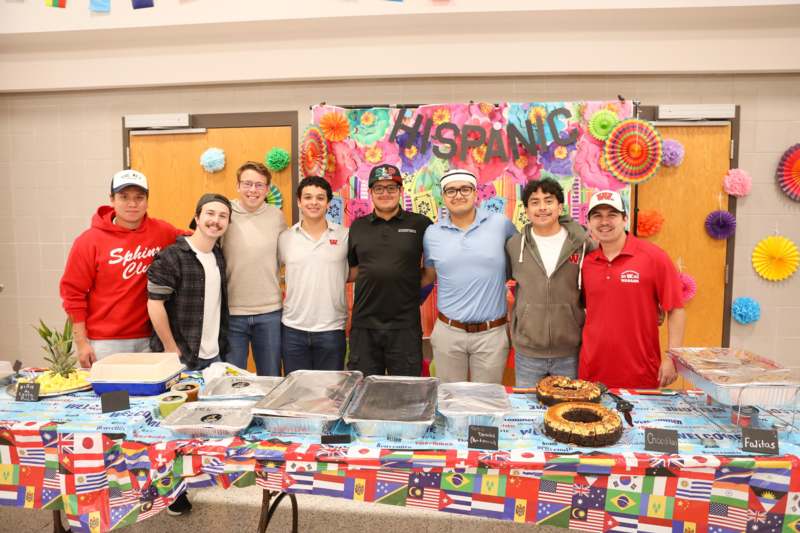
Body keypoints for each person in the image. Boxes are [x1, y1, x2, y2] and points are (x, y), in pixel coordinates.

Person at [60, 169, 183, 368]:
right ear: (112, 199)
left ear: (147, 201)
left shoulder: (162, 232)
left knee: (148, 397)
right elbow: (73, 295)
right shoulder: (88, 241)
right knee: (111, 399)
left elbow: (196, 239)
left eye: (139, 197)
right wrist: (82, 343)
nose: (132, 204)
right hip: (105, 343)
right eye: (124, 197)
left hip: (150, 340)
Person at [579, 190, 686, 389]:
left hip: (641, 371)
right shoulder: (587, 263)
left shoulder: (653, 257)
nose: (604, 222)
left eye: (612, 215)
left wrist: (672, 357)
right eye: (597, 216)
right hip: (592, 370)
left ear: (624, 218)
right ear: (589, 222)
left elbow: (676, 309)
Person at [421, 170, 517, 384]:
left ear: (475, 194)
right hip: (448, 333)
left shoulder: (500, 224)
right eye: (451, 190)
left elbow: (523, 260)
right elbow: (428, 275)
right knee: (450, 402)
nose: (458, 195)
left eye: (465, 189)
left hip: (491, 334)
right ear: (443, 197)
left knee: (486, 404)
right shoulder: (432, 234)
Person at [505, 178, 595, 387]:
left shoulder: (581, 244)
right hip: (528, 352)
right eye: (535, 202)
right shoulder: (514, 245)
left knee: (568, 412)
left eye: (548, 200)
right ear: (526, 209)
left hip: (569, 351)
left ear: (560, 206)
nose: (542, 207)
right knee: (526, 412)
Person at [347, 164, 432, 377]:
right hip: (364, 325)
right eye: (379, 188)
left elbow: (430, 272)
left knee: (406, 395)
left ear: (401, 191)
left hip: (405, 326)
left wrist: (406, 283)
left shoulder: (421, 224)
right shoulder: (357, 227)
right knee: (362, 392)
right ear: (371, 193)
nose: (385, 193)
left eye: (391, 188)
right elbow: (354, 270)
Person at [147, 193, 232, 372]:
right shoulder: (172, 256)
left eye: (223, 216)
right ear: (197, 218)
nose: (216, 220)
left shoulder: (218, 255)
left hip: (214, 356)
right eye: (210, 213)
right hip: (181, 356)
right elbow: (154, 304)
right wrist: (170, 347)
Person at [278, 176, 349, 373]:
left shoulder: (345, 235)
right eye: (308, 197)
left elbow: (355, 271)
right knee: (297, 395)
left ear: (328, 203)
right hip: (293, 329)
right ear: (299, 202)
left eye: (320, 198)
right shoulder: (286, 238)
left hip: (332, 328)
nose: (314, 203)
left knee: (330, 394)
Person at [222, 162, 287, 376]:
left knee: (271, 378)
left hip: (269, 312)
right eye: (247, 184)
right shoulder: (224, 213)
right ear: (238, 186)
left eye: (259, 185)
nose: (253, 190)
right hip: (232, 313)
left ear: (267, 189)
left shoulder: (276, 216)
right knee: (233, 381)